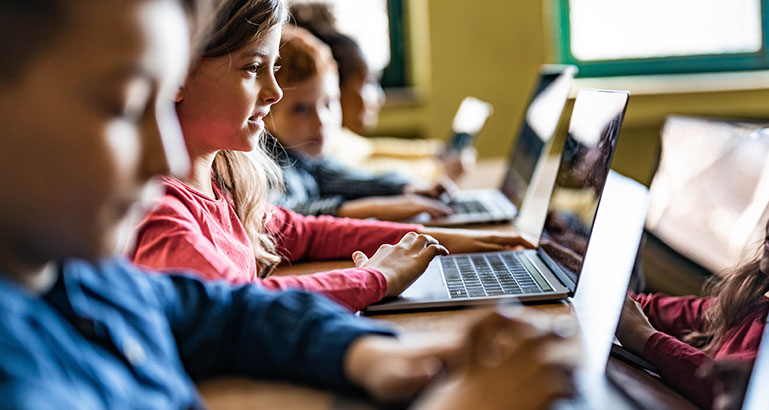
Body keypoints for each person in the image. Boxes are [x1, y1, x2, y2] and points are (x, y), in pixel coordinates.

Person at [0, 0, 576, 410]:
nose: (167, 152)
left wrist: (367, 354)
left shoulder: (72, 275)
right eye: (127, 107)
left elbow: (224, 313)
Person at [132, 19, 536, 311]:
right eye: (254, 68)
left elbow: (303, 232)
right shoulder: (161, 212)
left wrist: (430, 239)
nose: (274, 92)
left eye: (273, 69)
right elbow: (242, 307)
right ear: (177, 76)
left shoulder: (222, 184)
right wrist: (376, 277)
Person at [616, 166, 769, 410]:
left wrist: (645, 338)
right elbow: (645, 309)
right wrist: (581, 269)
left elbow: (734, 392)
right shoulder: (751, 308)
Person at [264, 25, 452, 220]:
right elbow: (284, 218)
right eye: (301, 109)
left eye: (329, 103)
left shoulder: (304, 157)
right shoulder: (266, 166)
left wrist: (406, 187)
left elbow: (343, 177)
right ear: (264, 112)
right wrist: (374, 209)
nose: (322, 121)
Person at [289, 1, 473, 185]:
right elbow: (366, 176)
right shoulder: (315, 145)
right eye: (368, 83)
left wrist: (435, 152)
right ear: (338, 86)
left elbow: (370, 151)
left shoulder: (339, 138)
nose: (379, 97)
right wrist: (438, 169)